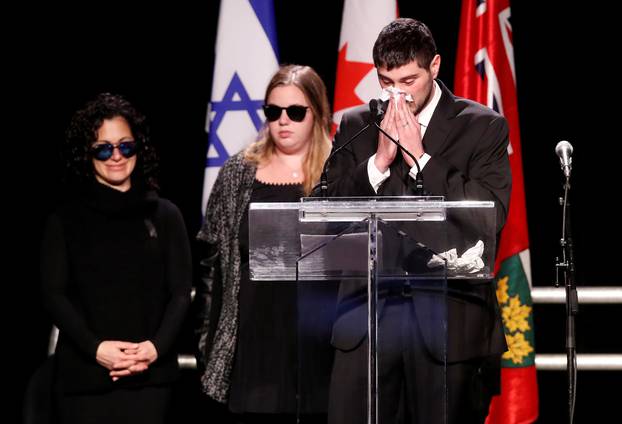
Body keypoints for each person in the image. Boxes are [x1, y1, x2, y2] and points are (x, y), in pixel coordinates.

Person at [323, 18, 511, 424]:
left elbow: (488, 218)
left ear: (436, 67)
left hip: (449, 324)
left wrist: (420, 158)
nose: (397, 94)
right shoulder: (357, 125)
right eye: (387, 81)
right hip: (366, 326)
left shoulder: (482, 127)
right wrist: (378, 164)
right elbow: (326, 214)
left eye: (409, 80)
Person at [40, 93, 192, 423]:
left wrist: (155, 348)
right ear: (88, 153)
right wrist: (97, 350)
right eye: (104, 149)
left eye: (126, 146)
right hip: (83, 380)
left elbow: (181, 291)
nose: (117, 157)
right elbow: (53, 294)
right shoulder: (64, 220)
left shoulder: (165, 215)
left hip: (151, 378)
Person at [195, 64, 333, 424]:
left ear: (317, 114)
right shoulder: (238, 174)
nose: (283, 121)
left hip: (321, 345)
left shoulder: (340, 173)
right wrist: (208, 342)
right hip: (253, 342)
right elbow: (211, 262)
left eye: (295, 112)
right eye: (273, 112)